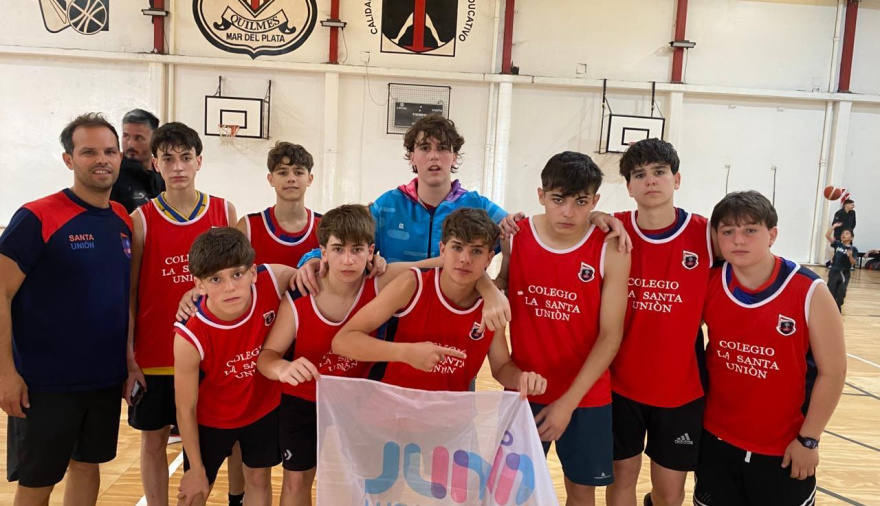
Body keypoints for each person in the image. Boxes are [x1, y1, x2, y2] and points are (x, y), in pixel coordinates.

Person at [257, 204, 451, 506]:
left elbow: (445, 264)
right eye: (338, 250)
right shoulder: (300, 296)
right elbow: (267, 356)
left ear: (371, 251)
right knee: (296, 480)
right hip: (305, 398)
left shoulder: (381, 281)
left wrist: (491, 290)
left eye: (357, 250)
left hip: (360, 397)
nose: (348, 260)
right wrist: (282, 368)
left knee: (365, 478)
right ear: (323, 252)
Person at [0, 113, 133, 505]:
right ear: (68, 159)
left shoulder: (122, 219)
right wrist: (5, 373)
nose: (101, 159)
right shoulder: (38, 216)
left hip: (103, 379)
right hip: (44, 385)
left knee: (88, 467)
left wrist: (128, 364)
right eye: (89, 152)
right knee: (38, 482)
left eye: (109, 151)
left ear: (120, 157)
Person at [494, 151, 630, 506]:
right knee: (513, 492)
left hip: (585, 394)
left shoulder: (611, 247)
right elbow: (500, 286)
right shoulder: (516, 235)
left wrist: (567, 403)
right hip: (524, 387)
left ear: (595, 201)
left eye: (580, 202)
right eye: (558, 200)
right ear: (541, 196)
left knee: (581, 493)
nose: (568, 212)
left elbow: (611, 335)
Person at [696, 190, 846, 506]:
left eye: (750, 230)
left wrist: (809, 439)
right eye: (728, 231)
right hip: (716, 440)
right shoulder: (709, 282)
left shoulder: (809, 290)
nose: (738, 240)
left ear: (772, 235)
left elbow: (833, 372)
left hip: (784, 448)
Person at [127, 122, 241, 506]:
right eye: (168, 158)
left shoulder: (224, 211)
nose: (178, 166)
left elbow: (240, 281)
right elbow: (132, 293)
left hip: (211, 353)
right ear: (155, 163)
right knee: (153, 439)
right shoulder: (141, 219)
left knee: (212, 442)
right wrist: (129, 355)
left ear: (199, 161)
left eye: (186, 157)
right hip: (156, 352)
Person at [333, 208, 546, 396]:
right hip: (392, 412)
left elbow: (501, 367)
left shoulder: (492, 306)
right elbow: (343, 341)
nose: (465, 259)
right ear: (442, 249)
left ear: (489, 258)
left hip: (449, 418)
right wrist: (405, 352)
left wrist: (521, 379)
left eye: (476, 251)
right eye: (457, 247)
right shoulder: (412, 284)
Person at [605, 139, 711, 506]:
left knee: (669, 493)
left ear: (676, 179)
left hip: (680, 390)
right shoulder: (612, 228)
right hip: (620, 385)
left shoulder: (706, 234)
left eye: (659, 172)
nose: (650, 180)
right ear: (629, 187)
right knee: (621, 482)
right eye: (639, 174)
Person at [174, 227, 294, 506]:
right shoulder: (189, 335)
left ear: (252, 272)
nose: (229, 287)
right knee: (194, 491)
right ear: (199, 285)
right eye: (216, 279)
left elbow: (314, 273)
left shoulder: (274, 279)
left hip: (262, 409)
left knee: (259, 481)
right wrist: (196, 467)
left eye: (237, 274)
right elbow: (185, 408)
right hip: (212, 420)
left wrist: (311, 261)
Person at [237, 141, 321, 266]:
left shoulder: (325, 226)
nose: (291, 179)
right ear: (271, 179)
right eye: (283, 173)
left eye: (298, 172)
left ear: (310, 179)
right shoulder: (248, 227)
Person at [111, 109, 165, 213]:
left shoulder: (163, 174)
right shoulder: (112, 175)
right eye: (126, 136)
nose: (131, 144)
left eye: (138, 138)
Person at [825, 224, 857, 311]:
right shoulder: (838, 244)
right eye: (843, 233)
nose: (844, 235)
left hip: (844, 273)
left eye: (847, 233)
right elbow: (827, 236)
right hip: (834, 271)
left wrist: (850, 256)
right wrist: (833, 227)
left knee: (841, 292)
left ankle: (838, 305)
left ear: (851, 238)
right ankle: (831, 308)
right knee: (830, 290)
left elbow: (853, 262)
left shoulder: (853, 249)